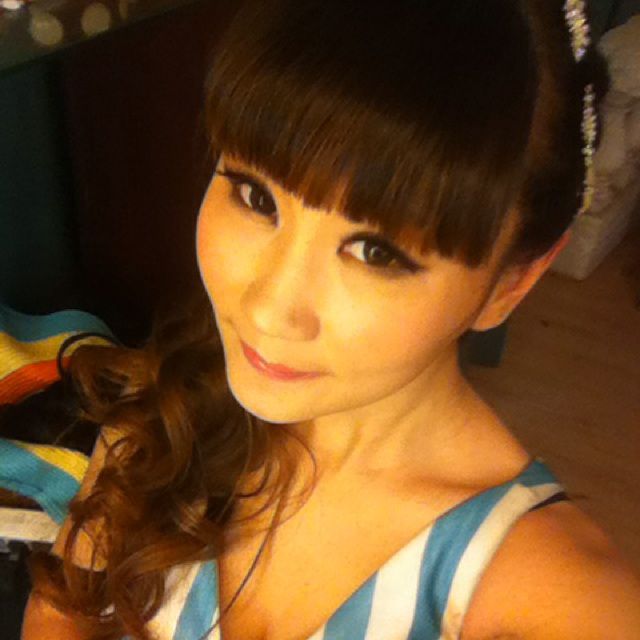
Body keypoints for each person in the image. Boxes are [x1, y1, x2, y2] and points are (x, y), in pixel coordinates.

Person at [21, 0, 640, 638]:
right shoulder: (172, 406)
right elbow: (64, 606)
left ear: (511, 284)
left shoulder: (556, 598)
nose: (268, 309)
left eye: (376, 252)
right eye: (256, 196)